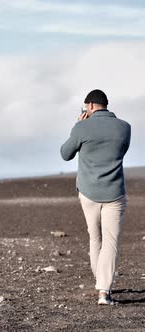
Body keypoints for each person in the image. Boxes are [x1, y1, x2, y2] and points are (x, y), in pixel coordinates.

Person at [60, 89, 131, 305]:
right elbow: (120, 152)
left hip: (88, 192)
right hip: (114, 192)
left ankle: (99, 279)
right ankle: (104, 291)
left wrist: (78, 126)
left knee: (95, 237)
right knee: (111, 241)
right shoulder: (124, 127)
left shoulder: (82, 127)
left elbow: (65, 153)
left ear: (90, 106)